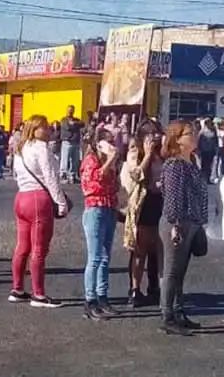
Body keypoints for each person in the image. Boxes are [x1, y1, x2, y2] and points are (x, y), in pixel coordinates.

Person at [9, 115, 70, 308]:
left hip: (21, 197)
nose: (49, 130)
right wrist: (61, 202)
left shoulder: (20, 148)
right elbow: (51, 177)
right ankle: (39, 294)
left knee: (22, 247)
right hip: (38, 198)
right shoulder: (41, 148)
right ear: (35, 129)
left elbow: (16, 175)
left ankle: (17, 289)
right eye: (44, 127)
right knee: (39, 249)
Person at [160, 119, 209, 336]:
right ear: (177, 140)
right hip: (177, 223)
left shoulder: (191, 162)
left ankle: (179, 312)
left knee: (180, 272)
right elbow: (173, 198)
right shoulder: (174, 165)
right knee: (171, 272)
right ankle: (167, 316)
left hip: (191, 222)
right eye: (190, 133)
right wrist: (175, 224)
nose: (195, 135)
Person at [121, 120, 164, 307]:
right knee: (140, 250)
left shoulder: (163, 154)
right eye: (151, 133)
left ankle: (155, 288)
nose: (155, 137)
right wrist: (146, 155)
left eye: (157, 133)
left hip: (160, 201)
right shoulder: (134, 154)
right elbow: (136, 175)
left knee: (158, 248)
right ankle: (134, 289)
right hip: (142, 203)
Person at [80, 127, 121, 320]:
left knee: (105, 257)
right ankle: (90, 300)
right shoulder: (90, 161)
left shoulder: (108, 163)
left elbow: (115, 186)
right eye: (109, 142)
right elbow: (91, 185)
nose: (113, 145)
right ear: (99, 144)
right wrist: (110, 162)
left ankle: (103, 296)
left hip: (109, 208)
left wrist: (112, 164)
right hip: (95, 210)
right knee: (95, 258)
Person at [58, 105, 84, 184]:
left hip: (75, 142)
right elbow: (68, 127)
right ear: (66, 111)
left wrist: (74, 123)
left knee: (75, 160)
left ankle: (72, 175)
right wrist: (74, 125)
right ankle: (63, 174)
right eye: (69, 110)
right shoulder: (63, 120)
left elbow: (82, 124)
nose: (70, 112)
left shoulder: (76, 119)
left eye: (72, 110)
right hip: (67, 142)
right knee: (65, 159)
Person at [198, 118, 219, 183]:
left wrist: (216, 149)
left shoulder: (213, 131)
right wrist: (199, 149)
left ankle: (208, 178)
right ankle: (203, 179)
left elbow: (216, 141)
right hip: (204, 150)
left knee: (210, 165)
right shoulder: (202, 132)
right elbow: (199, 141)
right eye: (208, 123)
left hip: (211, 150)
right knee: (204, 165)